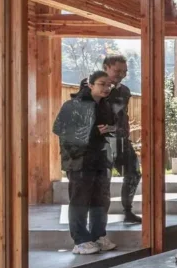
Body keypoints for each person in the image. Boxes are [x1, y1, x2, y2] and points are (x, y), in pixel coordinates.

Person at [53, 71, 118, 255]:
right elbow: (59, 129)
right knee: (80, 200)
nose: (106, 88)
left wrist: (111, 128)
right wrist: (93, 131)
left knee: (101, 199)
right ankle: (80, 241)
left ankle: (98, 236)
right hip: (79, 160)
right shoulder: (73, 105)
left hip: (101, 159)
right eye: (102, 84)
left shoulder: (105, 105)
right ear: (90, 85)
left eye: (109, 85)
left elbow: (111, 127)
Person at [103, 55, 141, 225]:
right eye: (117, 71)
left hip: (122, 140)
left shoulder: (125, 91)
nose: (121, 74)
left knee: (134, 173)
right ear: (106, 68)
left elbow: (122, 114)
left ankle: (127, 210)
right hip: (102, 142)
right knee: (103, 179)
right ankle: (100, 217)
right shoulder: (91, 85)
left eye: (124, 71)